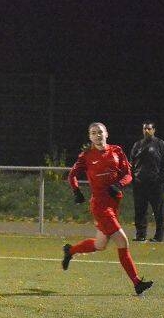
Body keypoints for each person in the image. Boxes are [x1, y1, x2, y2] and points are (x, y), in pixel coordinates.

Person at [62, 122, 153, 296]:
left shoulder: (117, 151)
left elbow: (128, 174)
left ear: (106, 134)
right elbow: (72, 174)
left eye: (100, 132)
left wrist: (119, 185)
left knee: (100, 245)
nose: (97, 135)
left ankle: (70, 251)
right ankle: (137, 283)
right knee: (123, 241)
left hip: (113, 204)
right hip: (100, 206)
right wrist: (76, 191)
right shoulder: (86, 155)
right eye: (93, 133)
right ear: (90, 137)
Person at [129, 120, 164, 242]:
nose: (146, 131)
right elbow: (131, 163)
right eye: (145, 129)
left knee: (158, 212)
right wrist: (133, 179)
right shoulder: (137, 145)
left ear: (154, 130)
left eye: (149, 129)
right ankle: (140, 235)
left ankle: (159, 236)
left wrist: (162, 180)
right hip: (139, 184)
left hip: (155, 184)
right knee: (140, 211)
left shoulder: (161, 144)